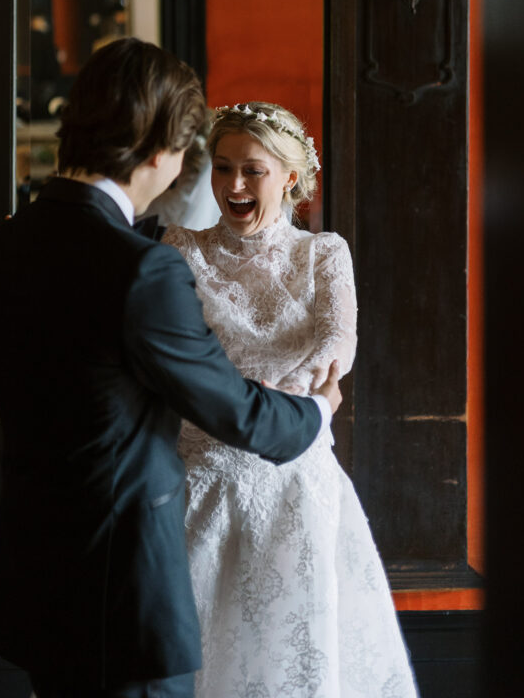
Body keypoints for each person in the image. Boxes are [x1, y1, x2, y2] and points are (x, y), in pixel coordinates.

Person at [0, 40, 343, 698]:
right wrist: (316, 411)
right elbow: (232, 407)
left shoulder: (4, 243)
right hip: (124, 586)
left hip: (33, 570)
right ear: (160, 148)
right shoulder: (142, 267)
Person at [164, 102, 419, 698]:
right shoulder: (180, 248)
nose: (233, 185)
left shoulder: (323, 253)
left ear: (290, 177)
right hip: (198, 479)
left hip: (295, 481)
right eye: (223, 168)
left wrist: (288, 400)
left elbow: (338, 340)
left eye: (252, 170)